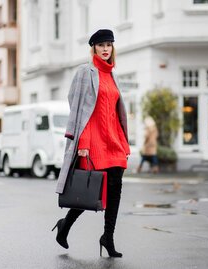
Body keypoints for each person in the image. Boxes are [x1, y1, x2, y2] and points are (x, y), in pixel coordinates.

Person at [53, 29, 130, 258]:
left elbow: (116, 112)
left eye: (109, 45)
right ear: (94, 48)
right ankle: (65, 225)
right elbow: (78, 109)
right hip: (93, 141)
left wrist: (124, 142)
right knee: (90, 190)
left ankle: (108, 237)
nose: (106, 49)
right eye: (101, 45)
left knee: (115, 189)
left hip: (114, 141)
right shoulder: (85, 72)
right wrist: (83, 141)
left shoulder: (112, 74)